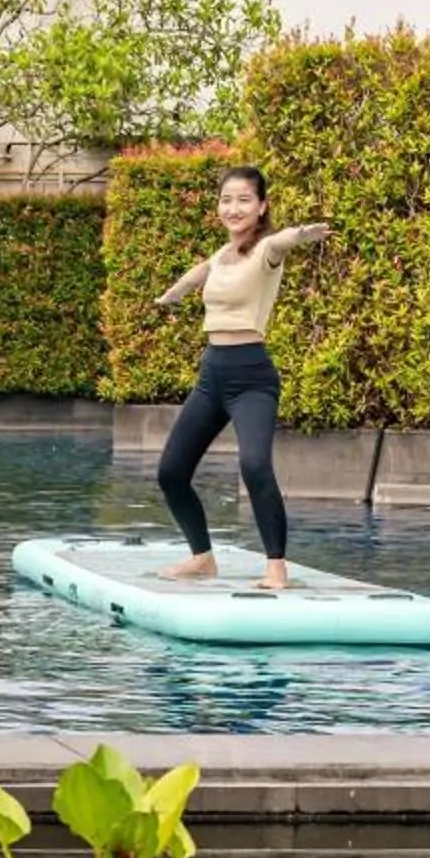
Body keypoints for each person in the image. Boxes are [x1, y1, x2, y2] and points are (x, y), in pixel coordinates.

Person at [150, 167, 333, 593]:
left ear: (262, 206)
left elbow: (282, 241)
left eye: (244, 200)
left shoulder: (266, 249)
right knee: (171, 472)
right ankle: (202, 558)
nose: (233, 208)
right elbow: (200, 271)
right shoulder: (223, 254)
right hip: (212, 373)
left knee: (254, 465)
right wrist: (173, 294)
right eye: (226, 200)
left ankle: (276, 569)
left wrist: (301, 234)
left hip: (252, 377)